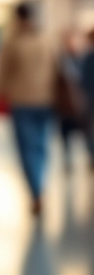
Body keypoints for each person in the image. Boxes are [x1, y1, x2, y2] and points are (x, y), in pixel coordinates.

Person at [0, 1, 57, 216]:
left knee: (26, 149)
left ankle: (36, 191)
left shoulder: (12, 41)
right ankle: (40, 185)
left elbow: (1, 74)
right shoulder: (47, 38)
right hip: (47, 101)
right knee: (42, 146)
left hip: (21, 102)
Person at [55, 29, 89, 171]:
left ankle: (90, 157)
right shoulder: (61, 60)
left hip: (83, 104)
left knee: (87, 134)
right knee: (66, 135)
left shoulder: (85, 59)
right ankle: (68, 160)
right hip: (66, 106)